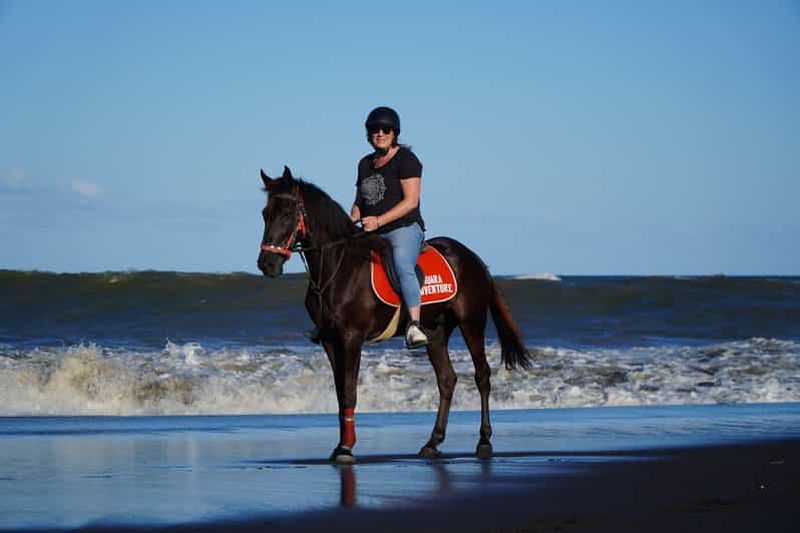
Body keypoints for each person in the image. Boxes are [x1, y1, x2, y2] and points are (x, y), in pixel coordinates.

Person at [351, 106, 428, 349]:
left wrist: (379, 221)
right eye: (375, 130)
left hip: (403, 227)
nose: (380, 134)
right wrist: (348, 220)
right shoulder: (365, 163)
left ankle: (414, 325)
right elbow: (359, 203)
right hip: (371, 230)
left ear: (394, 133)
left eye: (386, 129)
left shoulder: (406, 160)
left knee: (402, 263)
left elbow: (411, 201)